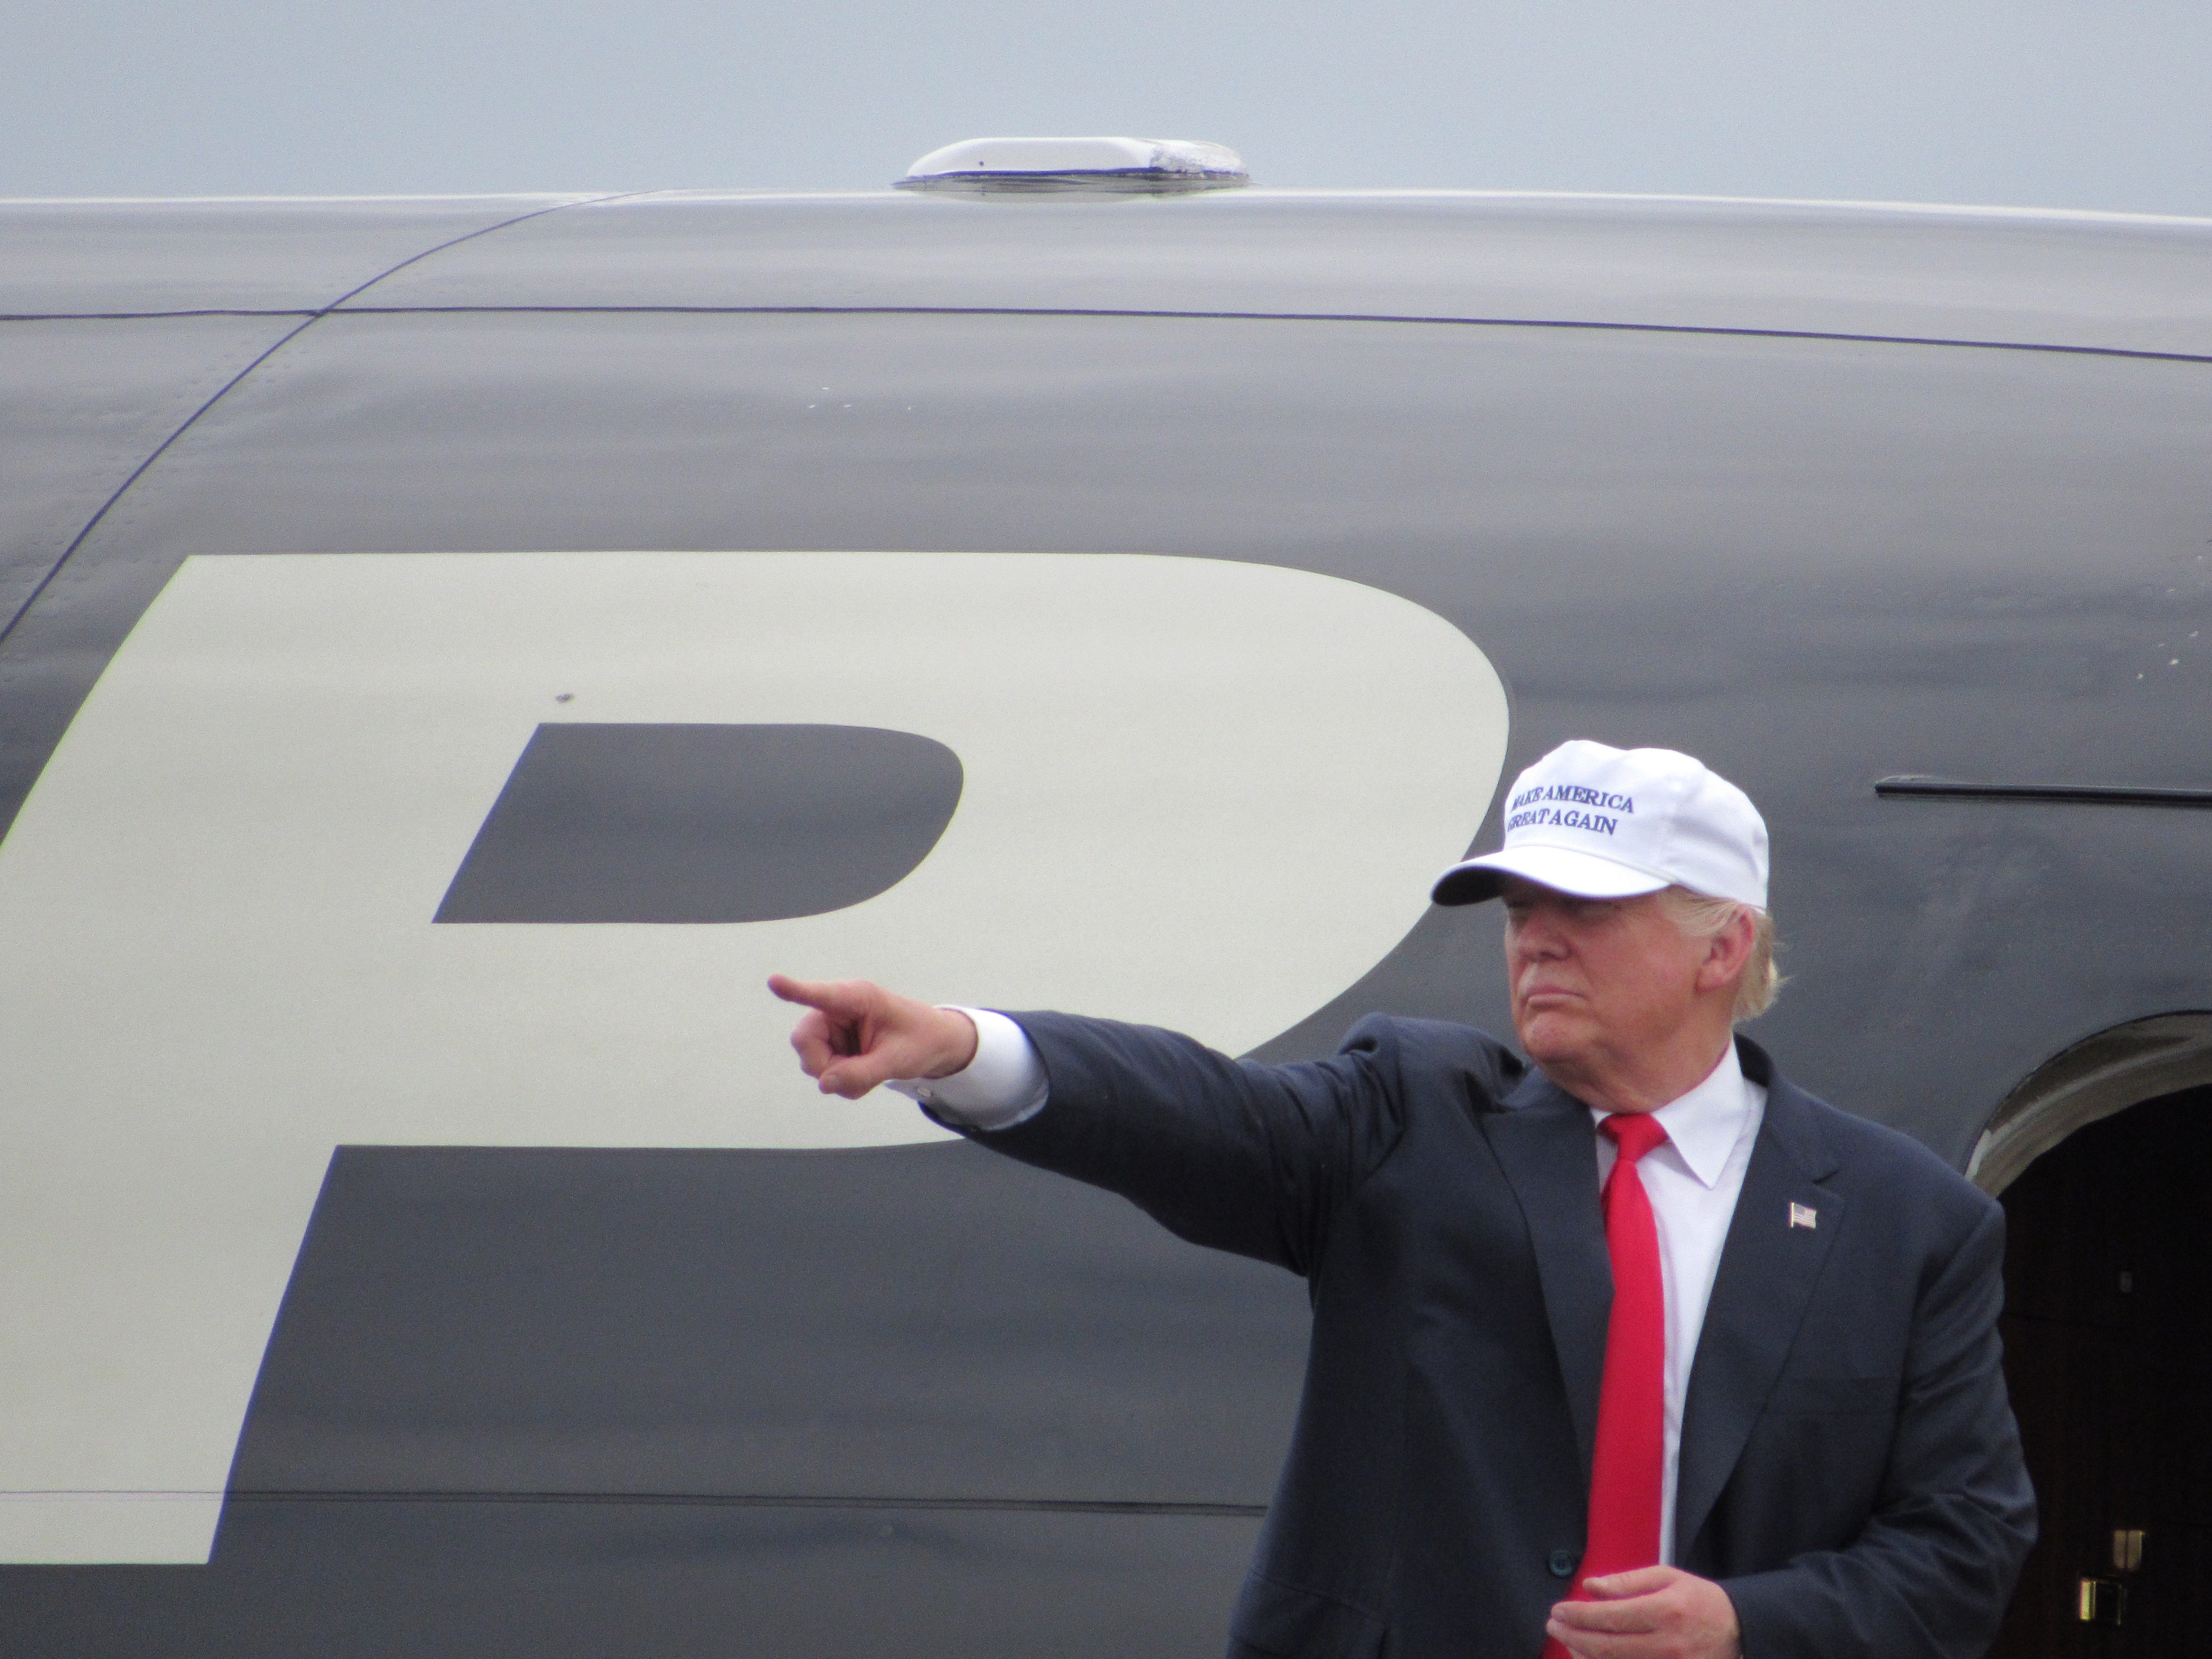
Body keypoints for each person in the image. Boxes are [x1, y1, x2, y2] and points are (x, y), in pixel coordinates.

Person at [771, 740, 2034, 1659]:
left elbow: (1963, 1548)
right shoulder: (1411, 1117)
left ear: (1722, 946)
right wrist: (961, 1048)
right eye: (1520, 907)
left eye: (1584, 908)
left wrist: (1744, 1624)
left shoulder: (1906, 1224)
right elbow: (1208, 1115)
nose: (1534, 938)